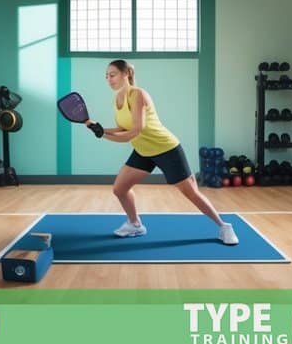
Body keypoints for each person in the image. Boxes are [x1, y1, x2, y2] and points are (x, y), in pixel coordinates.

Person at [85, 59, 238, 245]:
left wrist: (103, 136)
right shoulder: (117, 99)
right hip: (143, 150)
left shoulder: (138, 94)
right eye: (106, 76)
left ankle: (224, 226)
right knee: (120, 189)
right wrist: (99, 128)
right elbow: (121, 127)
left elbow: (135, 131)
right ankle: (135, 224)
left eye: (113, 74)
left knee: (191, 193)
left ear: (126, 74)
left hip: (165, 148)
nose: (109, 79)